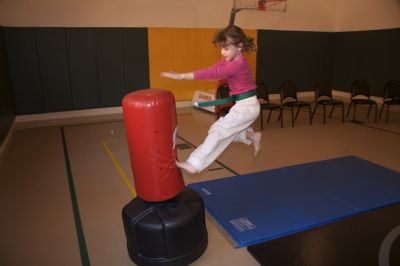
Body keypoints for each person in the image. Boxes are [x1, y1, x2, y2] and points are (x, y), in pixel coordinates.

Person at [161, 25, 261, 174]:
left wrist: (182, 76)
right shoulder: (231, 60)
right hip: (245, 106)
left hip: (246, 107)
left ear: (239, 46)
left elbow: (212, 73)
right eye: (221, 48)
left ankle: (194, 163)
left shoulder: (237, 64)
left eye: (226, 49)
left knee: (218, 131)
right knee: (227, 134)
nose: (222, 52)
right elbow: (214, 68)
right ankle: (252, 135)